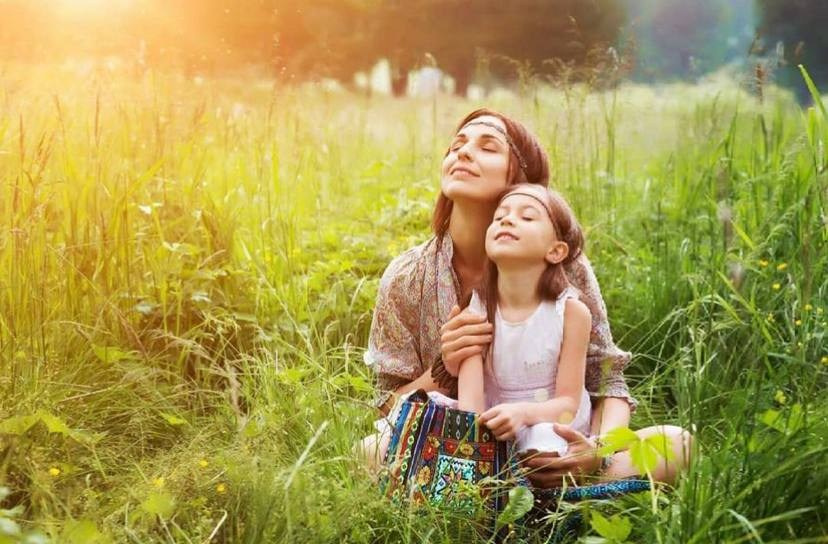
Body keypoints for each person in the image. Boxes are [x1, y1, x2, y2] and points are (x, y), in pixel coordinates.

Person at [363, 108, 691, 485]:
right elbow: (386, 407)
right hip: (464, 449)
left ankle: (551, 492)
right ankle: (510, 497)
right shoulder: (406, 277)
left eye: (487, 147)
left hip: (556, 444)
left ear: (521, 176)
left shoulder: (565, 271)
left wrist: (594, 452)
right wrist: (443, 369)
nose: (463, 153)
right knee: (370, 451)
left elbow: (607, 381)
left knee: (677, 444)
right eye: (456, 146)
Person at [454, 183, 591, 463]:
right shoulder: (476, 310)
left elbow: (568, 403)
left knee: (542, 450)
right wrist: (476, 447)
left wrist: (524, 414)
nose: (506, 219)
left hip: (549, 421)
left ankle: (533, 490)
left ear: (555, 251)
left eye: (527, 217)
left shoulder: (571, 313)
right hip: (490, 421)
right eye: (499, 216)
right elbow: (470, 406)